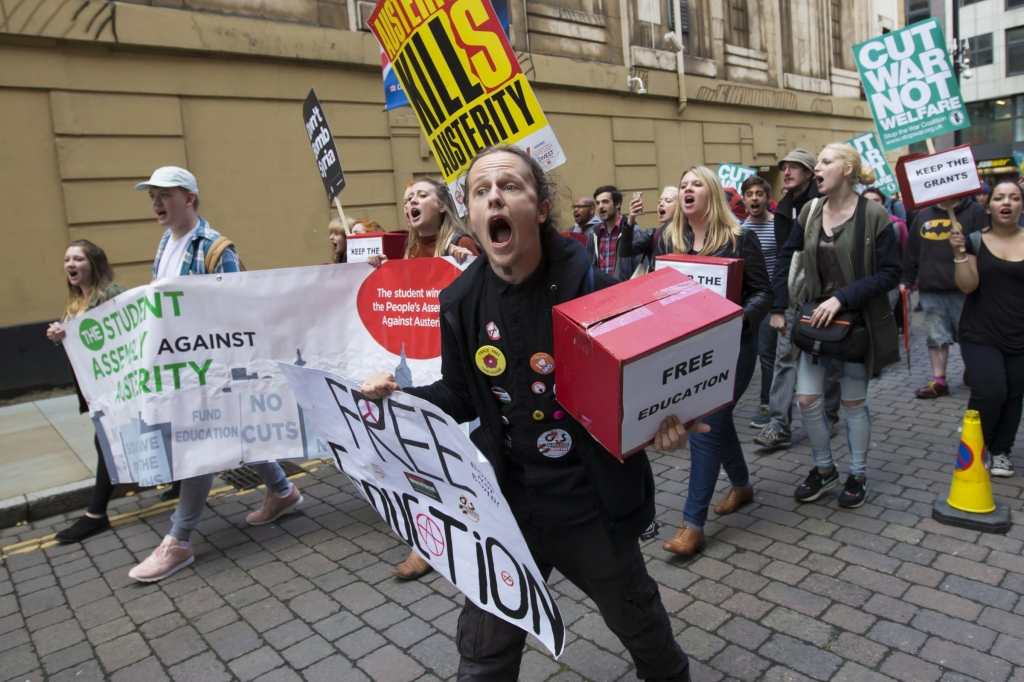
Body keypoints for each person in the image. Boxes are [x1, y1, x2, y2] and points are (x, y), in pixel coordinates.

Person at [361, 146, 697, 681]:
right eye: (480, 191)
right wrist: (398, 400)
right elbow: (461, 394)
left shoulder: (593, 288)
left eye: (511, 186)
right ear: (469, 214)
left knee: (642, 629)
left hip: (589, 503)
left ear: (540, 208)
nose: (494, 195)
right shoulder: (461, 302)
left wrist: (663, 423)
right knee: (483, 651)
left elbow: (641, 387)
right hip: (508, 506)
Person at [127, 167, 302, 582]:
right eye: (152, 195)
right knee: (232, 431)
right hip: (181, 364)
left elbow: (237, 308)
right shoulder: (165, 243)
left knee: (199, 442)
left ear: (189, 198)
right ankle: (282, 490)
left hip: (211, 367)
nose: (156, 202)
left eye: (165, 195)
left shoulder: (215, 246)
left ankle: (179, 540)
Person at [621, 168, 771, 556]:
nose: (687, 190)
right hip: (688, 351)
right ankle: (741, 484)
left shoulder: (741, 237)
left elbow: (763, 294)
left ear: (713, 194)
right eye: (683, 184)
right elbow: (655, 290)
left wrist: (740, 318)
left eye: (696, 185)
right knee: (718, 421)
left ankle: (693, 525)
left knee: (705, 426)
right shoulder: (669, 238)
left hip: (733, 347)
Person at [770, 143, 901, 508]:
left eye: (826, 162)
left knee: (853, 403)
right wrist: (779, 307)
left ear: (847, 169)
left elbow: (891, 272)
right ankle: (824, 469)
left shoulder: (875, 215)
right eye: (819, 162)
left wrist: (843, 297)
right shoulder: (811, 211)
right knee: (808, 398)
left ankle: (857, 475)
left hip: (856, 325)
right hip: (814, 321)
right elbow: (786, 257)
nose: (818, 169)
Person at [370, 178, 479, 578]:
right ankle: (429, 539)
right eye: (405, 199)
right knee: (422, 452)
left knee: (462, 454)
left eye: (420, 196)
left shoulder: (464, 248)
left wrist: (468, 262)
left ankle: (468, 529)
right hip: (421, 365)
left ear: (444, 206)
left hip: (461, 370)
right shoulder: (406, 252)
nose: (410, 202)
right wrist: (380, 275)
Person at [755, 150, 841, 449]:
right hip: (793, 301)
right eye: (785, 167)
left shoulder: (827, 203)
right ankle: (779, 425)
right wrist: (778, 308)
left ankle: (829, 415)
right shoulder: (784, 209)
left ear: (809, 173)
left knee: (824, 360)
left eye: (795, 167)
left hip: (824, 299)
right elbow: (783, 259)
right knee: (784, 360)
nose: (787, 172)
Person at [49, 242, 126, 543]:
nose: (70, 264)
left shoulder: (111, 295)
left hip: (117, 385)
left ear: (94, 264)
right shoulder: (75, 302)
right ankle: (184, 482)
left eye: (78, 258)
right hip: (94, 388)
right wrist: (58, 336)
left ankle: (96, 514)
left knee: (104, 441)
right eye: (67, 258)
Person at [951, 179, 1024, 478]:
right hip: (980, 332)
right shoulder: (973, 240)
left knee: (1014, 395)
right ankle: (976, 447)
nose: (1006, 203)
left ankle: (1001, 451)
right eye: (999, 198)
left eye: (1014, 197)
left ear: (1021, 204)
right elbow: (968, 285)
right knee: (991, 390)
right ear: (989, 205)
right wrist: (958, 253)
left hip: (1019, 333)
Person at [900, 194, 987, 398]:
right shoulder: (924, 216)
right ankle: (939, 380)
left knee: (970, 335)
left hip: (966, 289)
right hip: (931, 287)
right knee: (936, 336)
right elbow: (912, 251)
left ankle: (972, 370)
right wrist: (907, 279)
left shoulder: (975, 212)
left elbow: (987, 245)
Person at [368, 179, 478, 268]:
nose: (412, 201)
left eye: (422, 195)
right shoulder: (412, 249)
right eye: (410, 198)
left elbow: (487, 288)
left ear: (442, 206)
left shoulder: (461, 243)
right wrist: (384, 268)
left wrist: (471, 263)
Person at [741, 176, 779, 430]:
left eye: (759, 193)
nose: (754, 198)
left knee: (767, 355)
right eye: (749, 194)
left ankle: (767, 405)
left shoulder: (779, 226)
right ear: (744, 200)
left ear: (767, 197)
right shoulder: (740, 230)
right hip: (749, 302)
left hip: (772, 301)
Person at [592, 185, 649, 281]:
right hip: (602, 293)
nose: (600, 206)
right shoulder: (594, 233)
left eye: (605, 202)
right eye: (598, 203)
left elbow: (642, 271)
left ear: (618, 204)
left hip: (626, 292)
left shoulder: (634, 232)